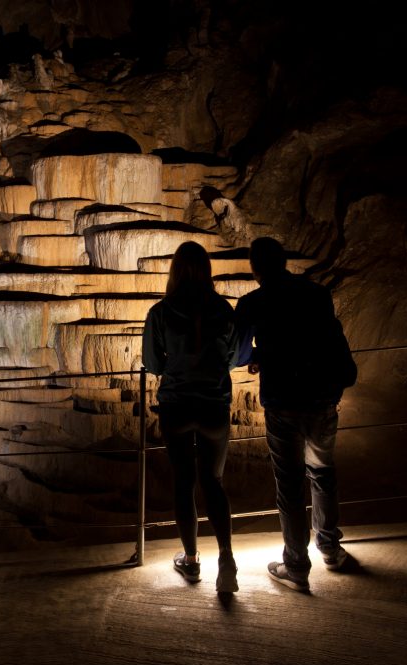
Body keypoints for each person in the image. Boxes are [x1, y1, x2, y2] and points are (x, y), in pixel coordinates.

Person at [234, 237, 356, 592]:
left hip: (283, 401)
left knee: (289, 484)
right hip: (321, 398)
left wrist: (261, 352)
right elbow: (328, 337)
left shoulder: (253, 302)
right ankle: (331, 548)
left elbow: (239, 354)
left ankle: (297, 564)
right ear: (284, 261)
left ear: (255, 267)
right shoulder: (316, 294)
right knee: (322, 472)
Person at [142, 241, 239, 593]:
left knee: (184, 482)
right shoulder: (224, 310)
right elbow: (232, 355)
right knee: (213, 481)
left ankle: (191, 559)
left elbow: (152, 363)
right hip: (214, 404)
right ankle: (226, 557)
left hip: (177, 405)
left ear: (175, 271)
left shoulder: (162, 312)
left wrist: (178, 364)